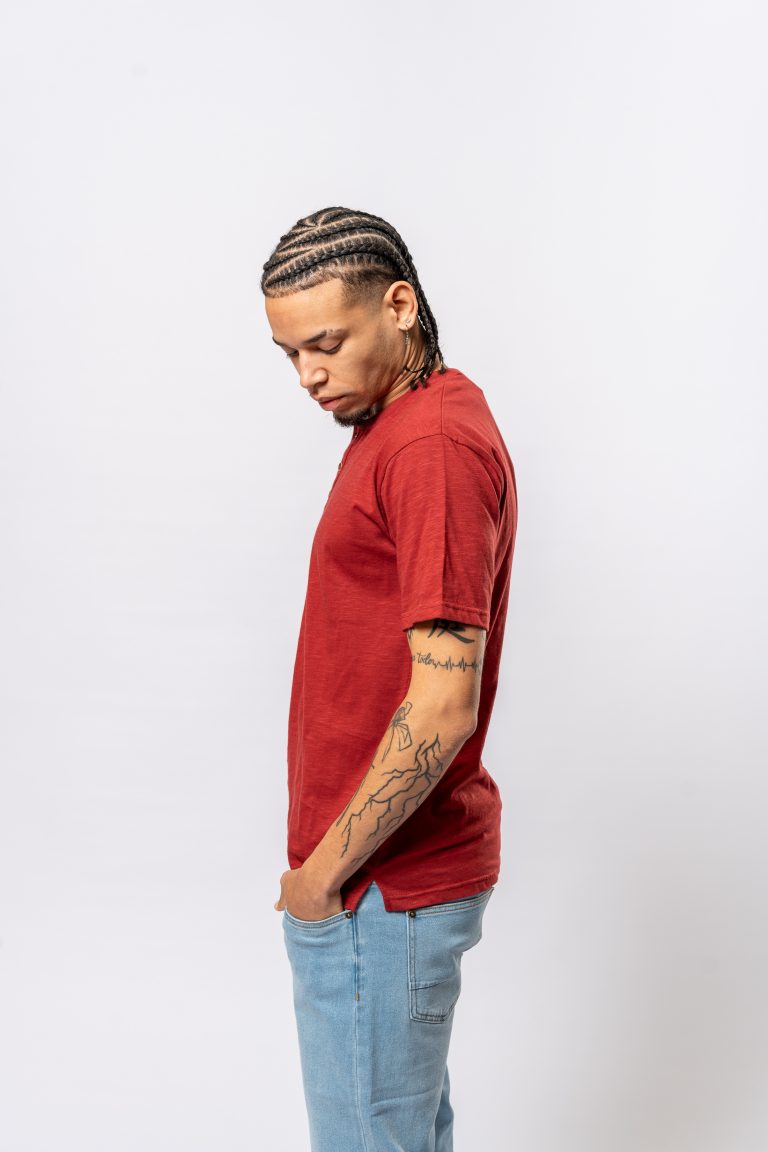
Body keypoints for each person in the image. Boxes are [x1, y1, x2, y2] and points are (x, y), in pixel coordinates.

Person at [261, 206, 518, 1152]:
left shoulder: (429, 448)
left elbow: (444, 705)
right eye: (290, 354)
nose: (308, 374)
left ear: (399, 305)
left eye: (325, 344)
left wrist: (320, 879)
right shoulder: (408, 422)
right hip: (376, 886)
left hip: (379, 887)